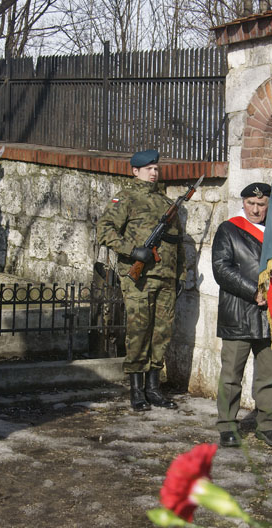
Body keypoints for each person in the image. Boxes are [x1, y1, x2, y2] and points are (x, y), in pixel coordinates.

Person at [97, 149, 182, 411]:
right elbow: (104, 230)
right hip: (138, 279)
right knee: (138, 332)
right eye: (148, 169)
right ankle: (136, 390)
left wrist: (181, 274)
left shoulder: (167, 203)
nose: (154, 172)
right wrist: (132, 251)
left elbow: (179, 243)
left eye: (156, 168)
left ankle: (153, 387)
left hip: (166, 278)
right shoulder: (126, 198)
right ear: (135, 171)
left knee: (162, 334)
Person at [212, 182, 272, 448]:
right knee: (231, 374)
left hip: (270, 315)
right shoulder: (228, 229)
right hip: (239, 312)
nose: (255, 209)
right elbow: (221, 268)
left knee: (269, 376)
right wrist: (253, 291)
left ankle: (267, 424)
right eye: (250, 204)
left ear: (269, 205)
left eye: (261, 204)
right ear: (243, 203)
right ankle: (227, 426)